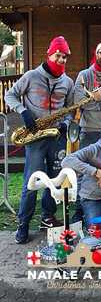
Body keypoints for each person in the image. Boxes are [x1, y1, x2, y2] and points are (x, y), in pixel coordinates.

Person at [6, 36, 74, 244]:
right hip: (35, 137)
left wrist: (66, 124)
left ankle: (47, 216)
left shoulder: (68, 82)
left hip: (56, 137)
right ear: (49, 53)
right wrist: (23, 111)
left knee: (56, 180)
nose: (61, 59)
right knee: (31, 181)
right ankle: (23, 224)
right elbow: (10, 95)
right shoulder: (31, 75)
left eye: (64, 57)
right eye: (58, 55)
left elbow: (71, 110)